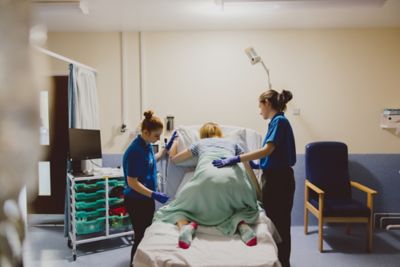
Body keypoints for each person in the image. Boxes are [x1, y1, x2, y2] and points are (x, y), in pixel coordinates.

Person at [212, 90, 296, 267]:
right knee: (275, 222)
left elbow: (267, 150)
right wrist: (260, 164)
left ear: (267, 102)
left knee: (278, 224)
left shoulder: (279, 121)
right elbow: (274, 154)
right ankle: (279, 260)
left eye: (260, 106)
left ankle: (282, 262)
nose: (259, 111)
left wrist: (237, 158)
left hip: (279, 181)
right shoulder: (277, 121)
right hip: (276, 176)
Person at [153, 122, 261, 249]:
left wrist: (176, 141)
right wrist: (258, 194)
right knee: (244, 209)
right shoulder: (233, 144)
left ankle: (185, 227)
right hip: (235, 181)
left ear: (202, 135)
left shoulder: (199, 143)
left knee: (177, 209)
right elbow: (248, 167)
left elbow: (174, 159)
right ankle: (242, 225)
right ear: (219, 134)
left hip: (206, 179)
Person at [123, 110, 177, 266]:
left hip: (145, 199)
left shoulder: (146, 145)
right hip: (136, 200)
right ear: (145, 132)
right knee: (141, 236)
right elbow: (132, 182)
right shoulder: (135, 151)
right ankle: (134, 264)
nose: (158, 138)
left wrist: (165, 149)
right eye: (156, 135)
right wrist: (154, 195)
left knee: (146, 234)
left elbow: (153, 159)